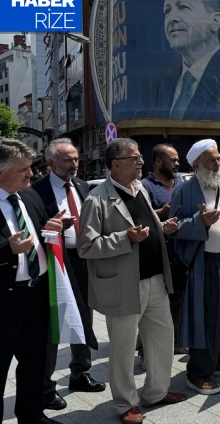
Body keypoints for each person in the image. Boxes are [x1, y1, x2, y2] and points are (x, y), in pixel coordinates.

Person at [78, 138, 186, 424]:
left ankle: (156, 392)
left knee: (162, 339)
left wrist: (163, 228)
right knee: (124, 349)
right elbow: (86, 247)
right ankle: (126, 403)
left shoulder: (141, 191)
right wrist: (125, 238)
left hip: (155, 280)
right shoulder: (96, 198)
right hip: (124, 285)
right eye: (135, 157)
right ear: (116, 164)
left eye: (140, 157)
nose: (141, 161)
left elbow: (146, 229)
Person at [0, 139, 64, 424]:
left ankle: (32, 417)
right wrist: (6, 248)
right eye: (23, 169)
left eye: (30, 168)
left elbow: (39, 234)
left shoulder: (29, 196)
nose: (31, 174)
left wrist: (51, 230)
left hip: (36, 296)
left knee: (34, 365)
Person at [170, 139, 220, 395]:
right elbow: (174, 228)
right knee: (206, 318)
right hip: (207, 265)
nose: (218, 163)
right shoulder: (186, 190)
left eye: (218, 158)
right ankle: (197, 372)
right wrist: (199, 221)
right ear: (196, 165)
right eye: (211, 160)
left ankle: (216, 360)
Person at [31, 138, 103, 411]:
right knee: (54, 322)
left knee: (83, 315)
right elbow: (35, 230)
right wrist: (55, 228)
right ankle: (46, 388)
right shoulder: (37, 191)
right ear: (51, 163)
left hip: (83, 259)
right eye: (68, 160)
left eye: (75, 158)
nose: (75, 164)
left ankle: (80, 372)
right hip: (56, 262)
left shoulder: (82, 185)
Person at [140, 144, 189, 357]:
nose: (177, 164)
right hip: (157, 257)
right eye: (173, 160)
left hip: (181, 254)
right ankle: (145, 348)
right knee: (153, 306)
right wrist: (162, 212)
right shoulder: (145, 186)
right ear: (159, 161)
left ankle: (176, 340)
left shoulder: (181, 184)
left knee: (178, 299)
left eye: (178, 160)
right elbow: (140, 218)